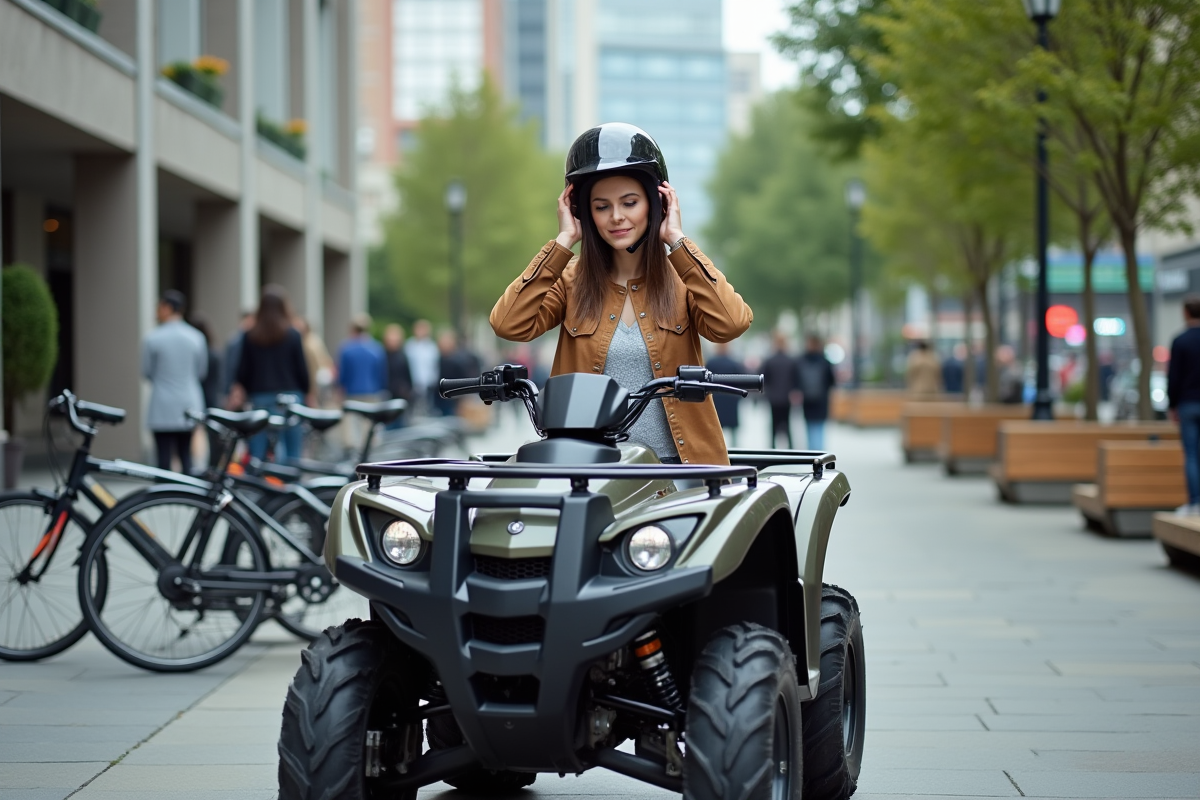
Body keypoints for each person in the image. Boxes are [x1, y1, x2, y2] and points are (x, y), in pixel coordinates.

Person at [489, 122, 753, 465]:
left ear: (655, 204)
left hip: (679, 468)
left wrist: (677, 241)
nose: (617, 217)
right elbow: (508, 323)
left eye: (630, 202)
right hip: (587, 470)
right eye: (601, 207)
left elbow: (731, 323)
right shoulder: (571, 281)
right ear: (582, 212)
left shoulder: (683, 278)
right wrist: (563, 242)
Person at [232, 286, 310, 461]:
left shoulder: (250, 336)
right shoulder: (293, 335)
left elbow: (242, 372)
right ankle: (290, 486)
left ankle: (259, 486)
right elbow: (302, 371)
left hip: (260, 397)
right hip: (290, 397)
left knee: (257, 452)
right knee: (292, 452)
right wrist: (304, 392)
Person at [142, 290, 207, 473]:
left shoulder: (152, 338)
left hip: (162, 403)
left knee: (163, 459)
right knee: (186, 456)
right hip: (189, 403)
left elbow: (147, 372)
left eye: (159, 307)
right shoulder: (196, 337)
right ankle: (187, 497)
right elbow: (201, 371)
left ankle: (162, 498)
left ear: (167, 308)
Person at [1168, 295, 1200, 515]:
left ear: (1186, 313)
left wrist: (1172, 405)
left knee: (1190, 454)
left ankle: (1195, 502)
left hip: (1188, 404)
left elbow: (1174, 377)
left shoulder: (1180, 341)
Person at [188, 313, 225, 467]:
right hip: (213, 398)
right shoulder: (215, 353)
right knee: (215, 439)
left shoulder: (199, 354)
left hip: (200, 397)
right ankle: (213, 468)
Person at [797, 334, 836, 451]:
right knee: (819, 428)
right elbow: (832, 381)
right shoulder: (825, 361)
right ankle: (819, 453)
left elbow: (797, 380)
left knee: (809, 428)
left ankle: (811, 453)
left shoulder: (802, 361)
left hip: (807, 399)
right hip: (821, 400)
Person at [763, 332, 799, 449]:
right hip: (786, 397)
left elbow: (764, 378)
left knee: (774, 424)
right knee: (787, 424)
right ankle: (790, 448)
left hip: (773, 397)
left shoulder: (770, 360)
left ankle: (773, 447)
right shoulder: (791, 360)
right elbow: (795, 379)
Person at [706, 342, 745, 446]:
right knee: (733, 427)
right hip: (731, 398)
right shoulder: (734, 363)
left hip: (717, 398)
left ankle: (719, 446)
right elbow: (741, 380)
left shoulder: (711, 362)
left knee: (718, 425)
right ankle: (735, 448)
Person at [295, 316, 335, 407]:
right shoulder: (315, 339)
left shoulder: (308, 344)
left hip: (316, 379)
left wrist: (311, 391)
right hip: (322, 377)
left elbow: (312, 368)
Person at [405, 319, 440, 416]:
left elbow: (434, 366)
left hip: (428, 384)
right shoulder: (409, 346)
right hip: (412, 383)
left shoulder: (432, 347)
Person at [383, 323, 413, 409]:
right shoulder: (382, 355)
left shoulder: (402, 356)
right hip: (386, 393)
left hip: (400, 394)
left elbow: (408, 375)